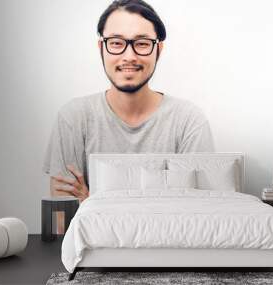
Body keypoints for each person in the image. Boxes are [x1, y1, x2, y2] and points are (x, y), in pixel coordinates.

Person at [42, 0, 215, 233]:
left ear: (158, 50)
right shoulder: (73, 118)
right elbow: (61, 225)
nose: (129, 55)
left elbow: (194, 220)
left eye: (142, 44)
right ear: (101, 48)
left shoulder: (188, 121)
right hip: (92, 264)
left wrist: (92, 203)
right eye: (116, 43)